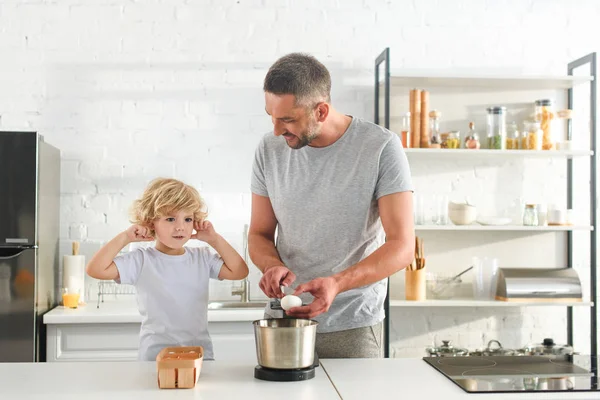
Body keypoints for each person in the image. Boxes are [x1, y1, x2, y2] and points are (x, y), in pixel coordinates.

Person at [249, 53, 414, 358]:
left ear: (321, 111)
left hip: (352, 326)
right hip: (284, 322)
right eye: (271, 117)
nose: (276, 130)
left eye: (287, 120)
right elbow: (259, 233)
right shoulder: (269, 149)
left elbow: (403, 246)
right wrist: (271, 264)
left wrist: (337, 283)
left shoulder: (380, 147)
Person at [86, 178, 248, 361]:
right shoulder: (141, 260)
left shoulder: (201, 257)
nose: (180, 226)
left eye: (188, 219)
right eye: (170, 218)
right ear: (150, 222)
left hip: (199, 357)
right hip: (155, 358)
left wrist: (214, 240)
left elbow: (239, 271)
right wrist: (125, 238)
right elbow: (96, 269)